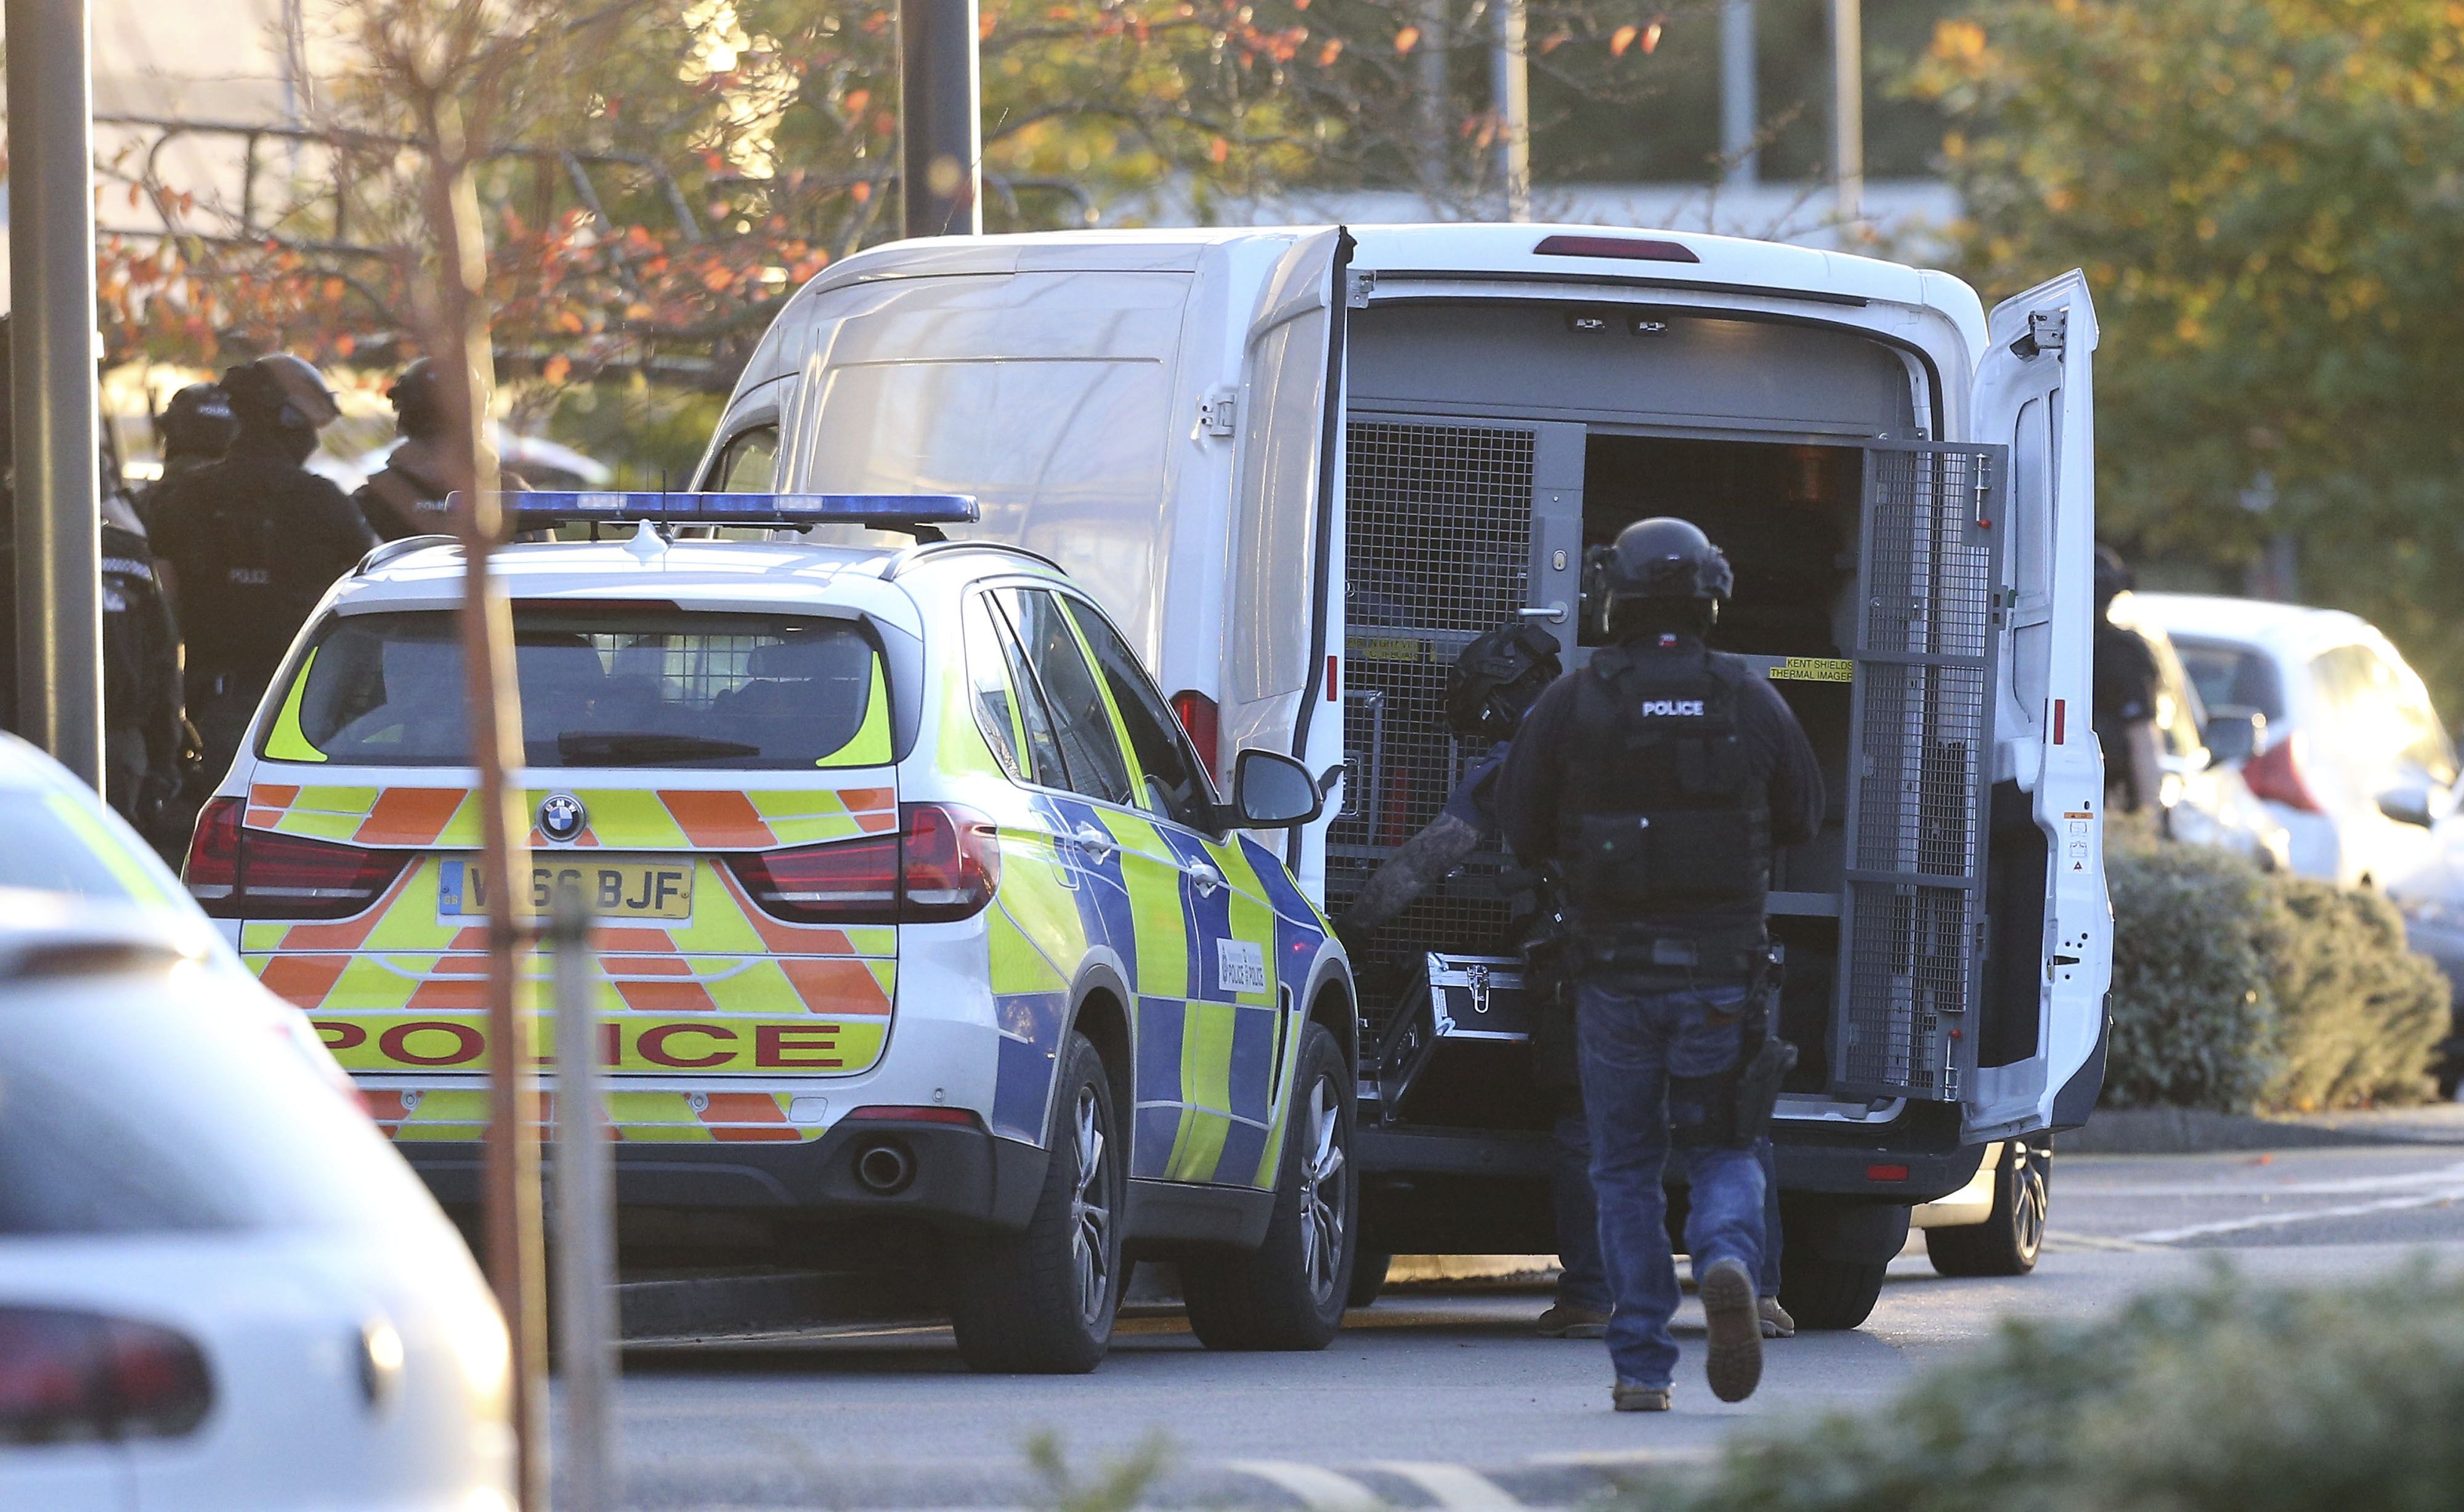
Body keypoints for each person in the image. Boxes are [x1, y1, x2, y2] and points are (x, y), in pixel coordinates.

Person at [1496, 517, 1823, 1412]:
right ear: (1711, 594)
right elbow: (1805, 811)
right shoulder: (1749, 698)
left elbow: (1520, 827)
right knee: (1727, 1143)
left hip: (1609, 979)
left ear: (1617, 595)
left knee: (1624, 1167)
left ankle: (1642, 1365)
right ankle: (1727, 1259)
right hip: (1723, 975)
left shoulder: (1572, 699)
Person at [1337, 624, 1619, 1335]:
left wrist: (1353, 928)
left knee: (1585, 1125)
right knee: (1727, 1129)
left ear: (1506, 689)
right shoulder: (1645, 715)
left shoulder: (1525, 748)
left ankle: (1590, 1296)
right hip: (1712, 943)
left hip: (1597, 953)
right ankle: (1760, 1289)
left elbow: (1431, 856)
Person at [148, 353, 377, 782]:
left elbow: (165, 618)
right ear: (287, 420)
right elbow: (365, 595)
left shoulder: (181, 498)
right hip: (308, 704)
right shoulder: (323, 500)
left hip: (208, 705)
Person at [2093, 544, 2165, 816]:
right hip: (2111, 811)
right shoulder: (2123, 652)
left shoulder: (2034, 645)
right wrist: (2150, 821)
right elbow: (2143, 740)